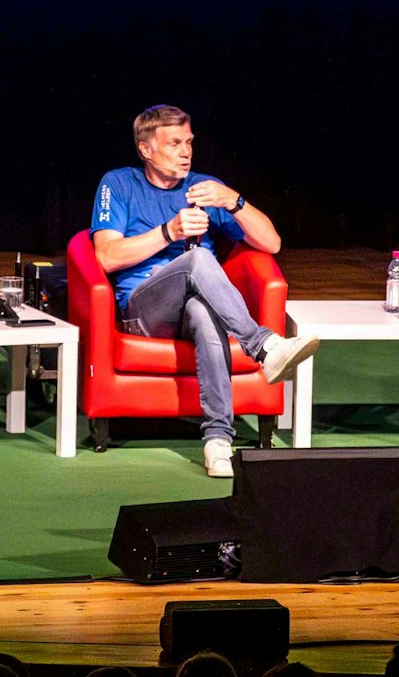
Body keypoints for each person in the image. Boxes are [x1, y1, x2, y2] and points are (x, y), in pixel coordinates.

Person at [90, 104, 317, 476]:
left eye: (189, 142)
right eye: (174, 143)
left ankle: (218, 442)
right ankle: (264, 345)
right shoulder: (118, 184)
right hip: (144, 313)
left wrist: (233, 200)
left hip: (192, 310)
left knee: (203, 313)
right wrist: (170, 232)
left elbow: (271, 243)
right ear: (146, 149)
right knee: (196, 260)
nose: (185, 152)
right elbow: (107, 256)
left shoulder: (203, 187)